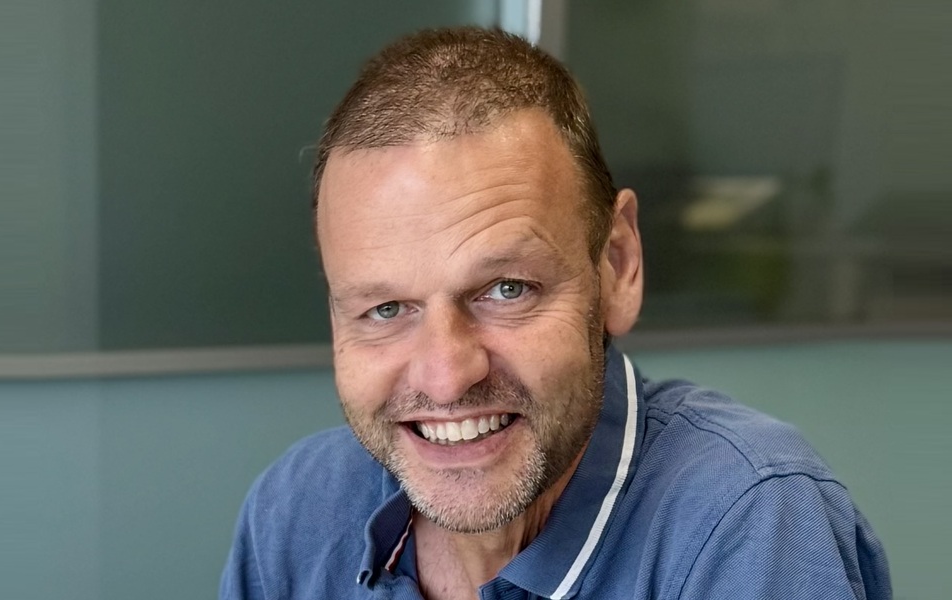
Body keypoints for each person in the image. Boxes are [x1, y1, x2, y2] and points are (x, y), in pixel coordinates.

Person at [221, 27, 891, 600]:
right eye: (386, 308)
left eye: (507, 289)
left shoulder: (749, 520)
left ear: (618, 265)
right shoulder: (297, 511)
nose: (447, 377)